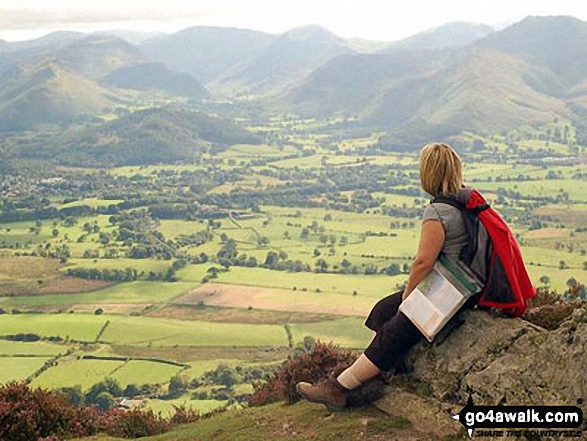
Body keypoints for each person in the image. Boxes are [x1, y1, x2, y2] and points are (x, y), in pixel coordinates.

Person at [296, 142, 482, 410]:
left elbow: (423, 262)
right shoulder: (467, 201)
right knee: (384, 310)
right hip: (464, 287)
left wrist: (408, 299)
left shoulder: (438, 211)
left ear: (427, 172)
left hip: (450, 291)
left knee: (397, 325)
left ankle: (338, 388)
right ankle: (376, 376)